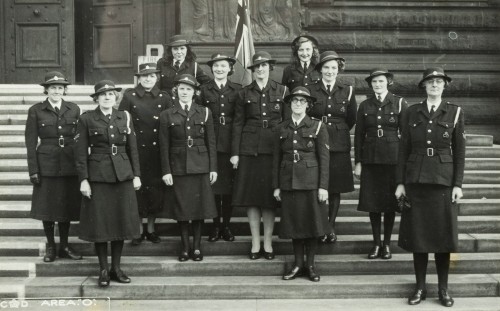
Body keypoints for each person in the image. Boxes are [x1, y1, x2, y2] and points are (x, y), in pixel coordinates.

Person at [395, 67, 465, 307]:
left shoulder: (454, 113)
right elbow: (403, 149)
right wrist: (400, 183)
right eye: (430, 82)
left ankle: (443, 290)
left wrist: (457, 184)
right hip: (416, 182)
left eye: (439, 82)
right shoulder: (411, 112)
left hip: (443, 183)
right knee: (419, 238)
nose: (435, 85)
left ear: (444, 86)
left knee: (443, 238)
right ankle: (420, 287)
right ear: (423, 86)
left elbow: (460, 153)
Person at [75, 80, 142, 287]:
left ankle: (116, 268)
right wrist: (84, 180)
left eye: (111, 94)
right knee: (102, 224)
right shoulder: (87, 118)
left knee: (120, 222)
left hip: (122, 175)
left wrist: (136, 175)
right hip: (98, 177)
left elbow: (133, 149)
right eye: (103, 94)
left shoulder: (125, 117)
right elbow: (79, 153)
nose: (107, 97)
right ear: (96, 98)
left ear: (116, 98)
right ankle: (103, 269)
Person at [231, 51, 290, 260]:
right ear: (253, 71)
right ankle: (255, 242)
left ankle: (268, 242)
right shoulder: (244, 93)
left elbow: (287, 123)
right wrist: (235, 153)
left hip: (273, 149)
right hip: (250, 150)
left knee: (268, 200)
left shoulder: (282, 91)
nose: (260, 70)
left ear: (270, 68)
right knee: (252, 199)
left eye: (264, 66)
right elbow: (237, 124)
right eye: (257, 67)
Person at [273, 87, 330, 282]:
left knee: (312, 225)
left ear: (308, 104)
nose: (298, 104)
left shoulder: (317, 126)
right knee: (295, 225)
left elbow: (324, 159)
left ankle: (311, 265)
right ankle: (298, 264)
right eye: (295, 101)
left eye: (302, 101)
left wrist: (323, 187)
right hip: (289, 182)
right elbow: (276, 159)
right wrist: (276, 186)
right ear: (289, 104)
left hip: (311, 183)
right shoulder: (282, 127)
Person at [25, 71, 83, 262]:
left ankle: (65, 246)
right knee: (48, 207)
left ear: (64, 90)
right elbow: (30, 141)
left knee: (66, 207)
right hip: (47, 163)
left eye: (60, 88)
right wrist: (33, 169)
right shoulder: (36, 110)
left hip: (68, 163)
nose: (57, 91)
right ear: (46, 90)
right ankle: (51, 246)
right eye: (53, 88)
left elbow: (79, 138)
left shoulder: (73, 108)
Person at [159, 74, 218, 262]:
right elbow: (164, 146)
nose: (185, 92)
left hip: (201, 167)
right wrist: (166, 171)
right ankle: (185, 247)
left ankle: (197, 247)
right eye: (182, 89)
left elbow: (211, 143)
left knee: (199, 209)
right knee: (183, 210)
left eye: (189, 89)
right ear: (176, 91)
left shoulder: (205, 112)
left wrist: (213, 168)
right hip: (179, 168)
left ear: (195, 92)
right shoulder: (167, 114)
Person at [354, 68, 408, 260]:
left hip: (392, 161)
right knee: (373, 205)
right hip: (371, 161)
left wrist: (403, 165)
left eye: (381, 81)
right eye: (374, 82)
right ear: (371, 84)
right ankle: (376, 243)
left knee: (389, 204)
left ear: (388, 82)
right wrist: (358, 162)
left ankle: (387, 244)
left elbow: (406, 137)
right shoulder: (365, 105)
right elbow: (359, 136)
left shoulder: (399, 103)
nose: (378, 84)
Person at [119, 63, 173, 245]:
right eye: (144, 76)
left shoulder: (164, 97)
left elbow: (170, 122)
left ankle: (151, 229)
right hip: (136, 150)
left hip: (157, 151)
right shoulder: (129, 96)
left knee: (155, 190)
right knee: (138, 191)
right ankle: (138, 230)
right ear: (139, 78)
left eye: (151, 76)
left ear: (157, 77)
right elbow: (121, 121)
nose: (148, 79)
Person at [308, 51, 357, 243]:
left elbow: (351, 118)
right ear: (320, 70)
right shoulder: (311, 89)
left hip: (338, 144)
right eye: (326, 68)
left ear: (338, 70)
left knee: (334, 188)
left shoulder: (347, 90)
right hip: (315, 142)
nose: (330, 71)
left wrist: (337, 131)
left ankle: (331, 226)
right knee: (317, 185)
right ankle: (319, 225)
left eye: (333, 68)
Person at [200, 54, 242, 242]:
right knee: (214, 189)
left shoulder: (237, 90)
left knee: (229, 189)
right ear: (212, 68)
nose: (219, 69)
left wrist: (235, 152)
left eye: (223, 66)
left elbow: (239, 122)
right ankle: (215, 226)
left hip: (230, 145)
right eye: (216, 66)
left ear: (230, 68)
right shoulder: (203, 90)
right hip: (211, 145)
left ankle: (227, 225)